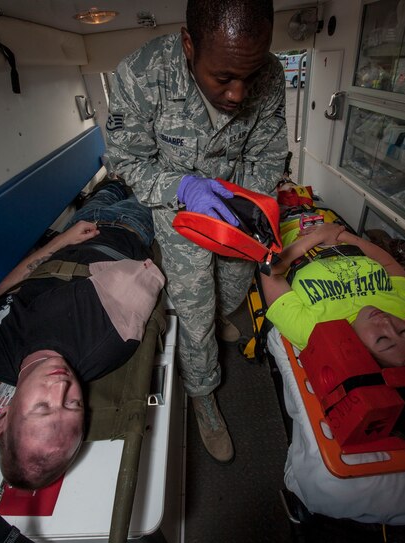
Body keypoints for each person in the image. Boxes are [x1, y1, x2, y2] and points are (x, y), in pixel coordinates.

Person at [104, 0, 288, 463]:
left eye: (249, 76)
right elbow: (127, 162)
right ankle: (205, 394)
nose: (238, 94)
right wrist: (183, 185)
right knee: (194, 307)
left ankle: (223, 315)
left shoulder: (268, 76)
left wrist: (247, 208)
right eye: (224, 78)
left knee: (231, 285)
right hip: (177, 206)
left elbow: (267, 155)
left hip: (234, 206)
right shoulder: (142, 74)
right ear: (189, 45)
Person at [0, 180, 164, 489]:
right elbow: (143, 272)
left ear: (2, 418)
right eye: (74, 405)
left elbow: (0, 292)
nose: (61, 388)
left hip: (73, 229)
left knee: (109, 188)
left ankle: (114, 181)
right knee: (145, 181)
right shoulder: (111, 337)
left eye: (43, 407)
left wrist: (60, 242)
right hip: (127, 225)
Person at [261, 220, 405, 368]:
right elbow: (388, 263)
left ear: (361, 350)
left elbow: (269, 271)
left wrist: (318, 236)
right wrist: (342, 234)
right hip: (335, 231)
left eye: (382, 339)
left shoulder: (312, 331)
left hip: (286, 231)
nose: (387, 323)